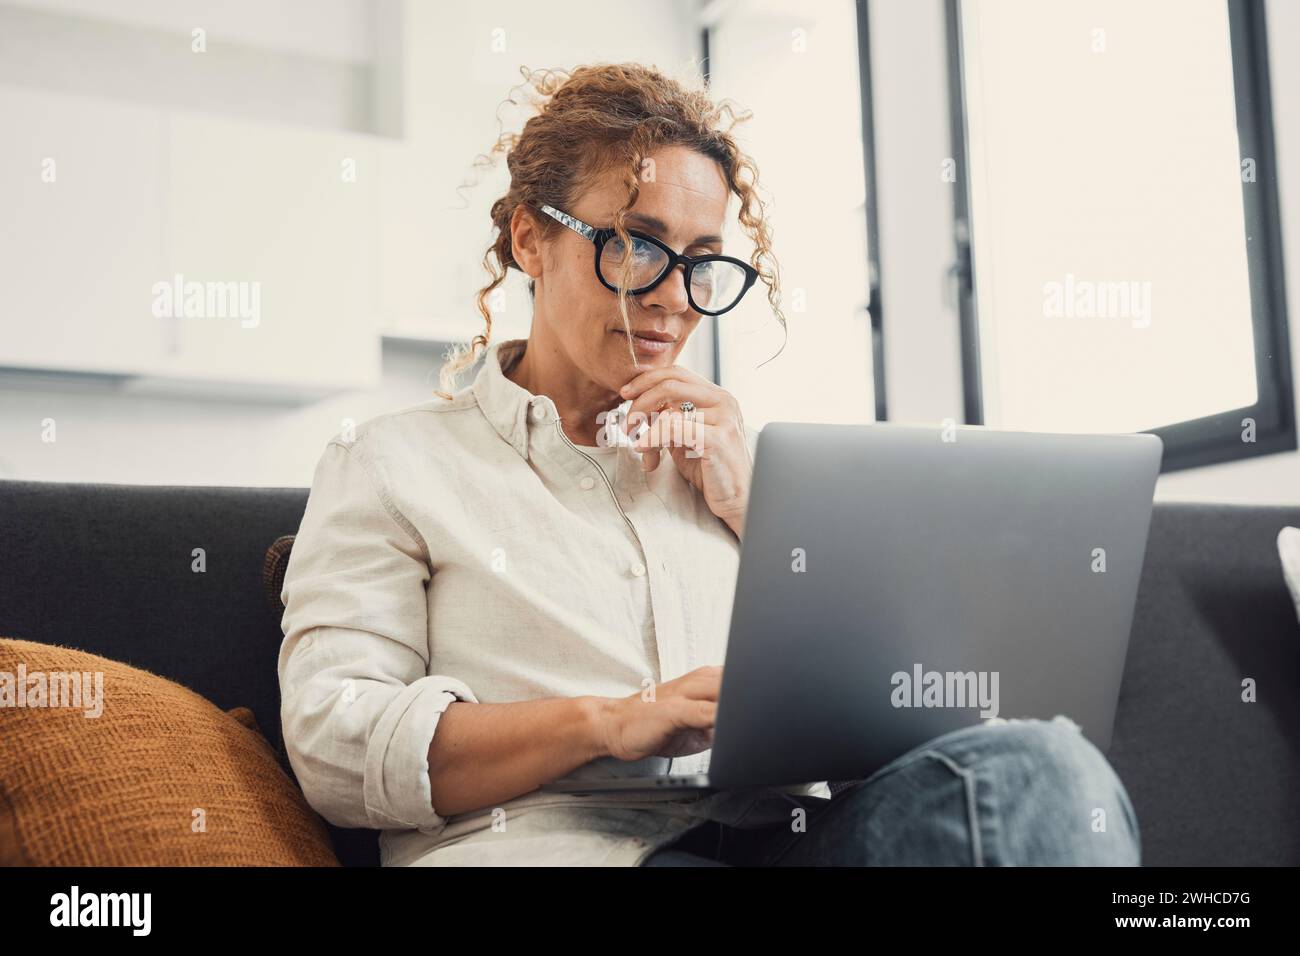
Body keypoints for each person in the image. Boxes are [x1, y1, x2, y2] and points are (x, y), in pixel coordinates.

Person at [276, 62, 1141, 866]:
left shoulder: (750, 474)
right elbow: (335, 742)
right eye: (635, 244)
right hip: (565, 849)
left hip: (782, 840)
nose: (668, 296)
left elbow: (906, 707)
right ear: (530, 239)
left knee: (1043, 767)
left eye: (699, 262)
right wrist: (612, 722)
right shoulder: (394, 463)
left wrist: (756, 509)